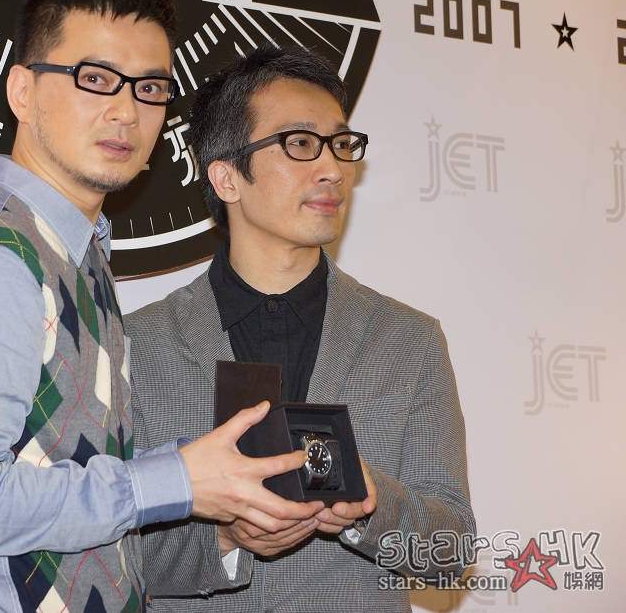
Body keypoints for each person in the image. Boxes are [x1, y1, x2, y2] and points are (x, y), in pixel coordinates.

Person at [0, 0, 314, 612]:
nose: (126, 111)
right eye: (96, 79)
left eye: (150, 88)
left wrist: (203, 478)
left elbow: (71, 485)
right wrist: (173, 479)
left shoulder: (77, 254)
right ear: (23, 91)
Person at [127, 46, 476, 612]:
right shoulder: (140, 344)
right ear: (226, 177)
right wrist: (225, 538)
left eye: (340, 144)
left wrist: (371, 506)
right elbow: (112, 555)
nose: (333, 168)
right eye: (300, 143)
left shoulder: (409, 340)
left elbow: (452, 553)